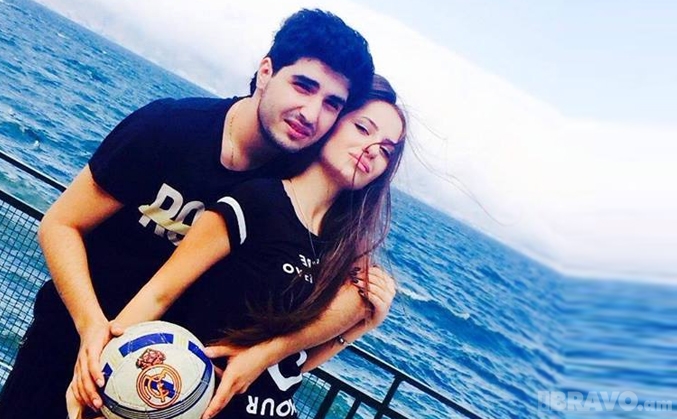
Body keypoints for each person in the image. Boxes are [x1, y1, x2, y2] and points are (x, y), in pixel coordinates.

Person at [0, 9, 392, 419]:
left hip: (166, 379)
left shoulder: (290, 186)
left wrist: (362, 319)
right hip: (71, 338)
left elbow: (339, 287)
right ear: (266, 72)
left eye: (331, 104)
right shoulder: (169, 129)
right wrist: (91, 326)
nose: (310, 113)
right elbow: (61, 224)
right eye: (303, 86)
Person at [101, 74, 406, 419]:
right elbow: (160, 292)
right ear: (331, 123)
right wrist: (101, 373)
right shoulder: (256, 202)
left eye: (386, 150)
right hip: (203, 405)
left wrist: (360, 327)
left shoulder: (343, 248)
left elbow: (294, 364)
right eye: (363, 129)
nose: (372, 150)